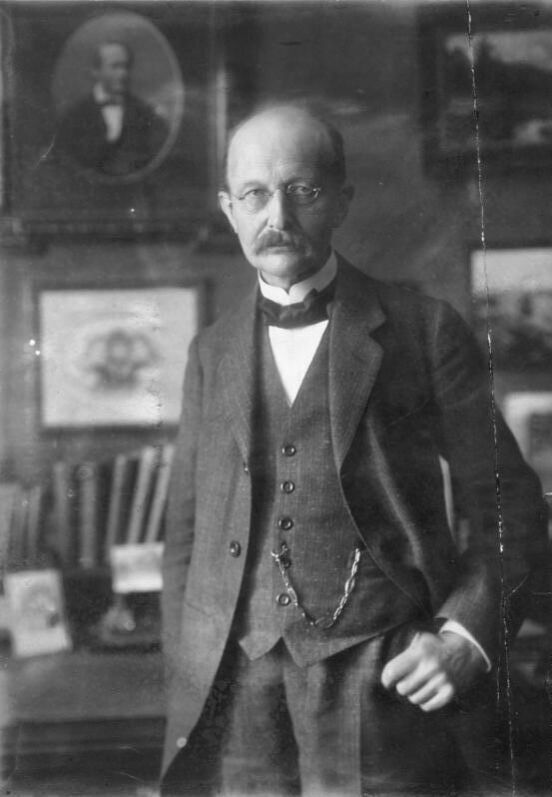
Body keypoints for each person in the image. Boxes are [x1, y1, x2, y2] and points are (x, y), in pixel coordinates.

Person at [161, 103, 548, 796]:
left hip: (386, 679)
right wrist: (192, 672)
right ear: (228, 210)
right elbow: (185, 540)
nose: (277, 215)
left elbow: (509, 504)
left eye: (302, 190)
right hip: (238, 691)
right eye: (254, 194)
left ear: (341, 200)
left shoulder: (423, 330)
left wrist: (466, 638)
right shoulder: (209, 353)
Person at [54, 41, 168, 177]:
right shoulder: (74, 115)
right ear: (96, 71)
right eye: (115, 67)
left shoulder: (145, 113)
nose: (123, 73)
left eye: (126, 66)